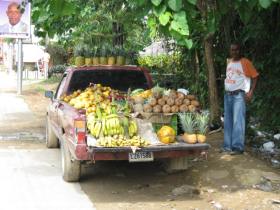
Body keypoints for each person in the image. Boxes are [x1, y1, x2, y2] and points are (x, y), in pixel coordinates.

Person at [221, 43, 259, 155]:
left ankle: (237, 147)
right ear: (230, 51)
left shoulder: (245, 62)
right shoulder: (229, 62)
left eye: (236, 50)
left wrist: (251, 91)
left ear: (240, 50)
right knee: (228, 121)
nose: (234, 52)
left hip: (239, 95)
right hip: (227, 95)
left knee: (238, 121)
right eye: (232, 50)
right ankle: (227, 146)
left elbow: (255, 76)